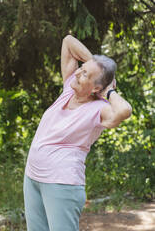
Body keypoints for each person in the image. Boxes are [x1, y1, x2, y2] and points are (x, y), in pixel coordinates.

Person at [23, 35, 132, 231]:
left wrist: (108, 90)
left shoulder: (99, 109)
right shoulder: (68, 89)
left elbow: (124, 111)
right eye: (81, 69)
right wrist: (93, 65)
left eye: (84, 75)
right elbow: (68, 41)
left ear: (96, 88)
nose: (78, 74)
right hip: (32, 177)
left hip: (61, 183)